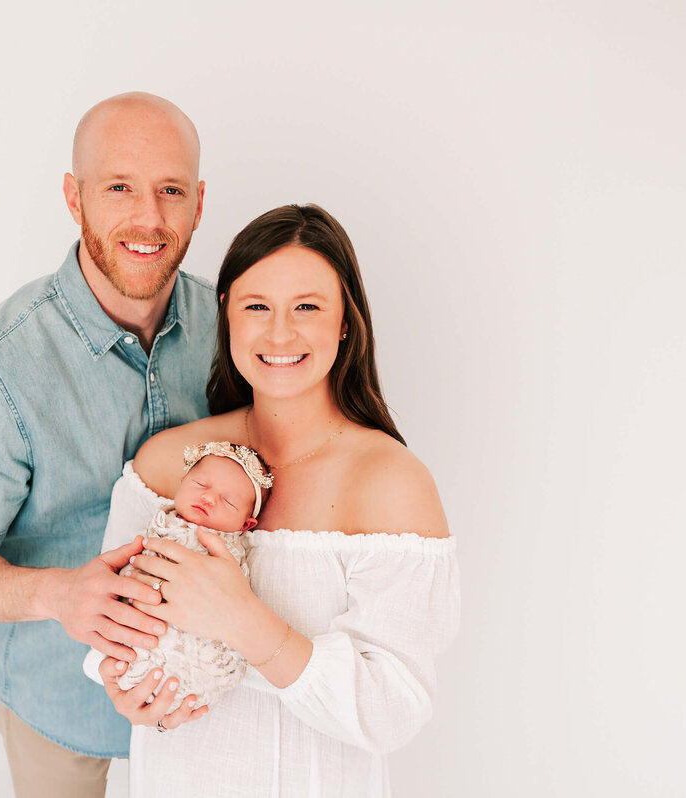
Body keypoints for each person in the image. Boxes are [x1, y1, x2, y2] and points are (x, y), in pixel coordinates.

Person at [95, 204, 461, 797]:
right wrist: (121, 686)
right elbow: (109, 622)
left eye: (308, 307)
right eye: (257, 306)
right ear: (227, 316)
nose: (281, 333)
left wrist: (245, 624)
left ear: (346, 322)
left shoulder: (391, 483)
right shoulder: (166, 465)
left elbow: (394, 709)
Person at [0, 92, 217, 798]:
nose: (148, 218)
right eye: (118, 187)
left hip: (201, 698)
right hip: (58, 705)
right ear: (73, 197)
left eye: (170, 190)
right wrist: (58, 595)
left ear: (199, 203)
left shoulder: (234, 326)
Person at [99, 441, 273, 710]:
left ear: (245, 524)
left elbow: (235, 596)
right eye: (200, 485)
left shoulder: (229, 553)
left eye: (228, 501)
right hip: (141, 627)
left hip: (198, 638)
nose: (209, 498)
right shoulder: (158, 524)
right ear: (181, 483)